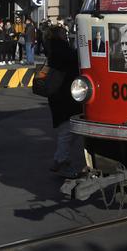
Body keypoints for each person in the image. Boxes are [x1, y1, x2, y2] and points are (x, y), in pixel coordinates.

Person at [44, 24, 83, 177]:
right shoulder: (60, 48)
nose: (66, 34)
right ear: (58, 35)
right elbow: (73, 58)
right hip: (63, 94)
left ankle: (59, 159)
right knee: (67, 130)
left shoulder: (54, 47)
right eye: (64, 32)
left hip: (60, 94)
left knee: (67, 129)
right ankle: (61, 160)